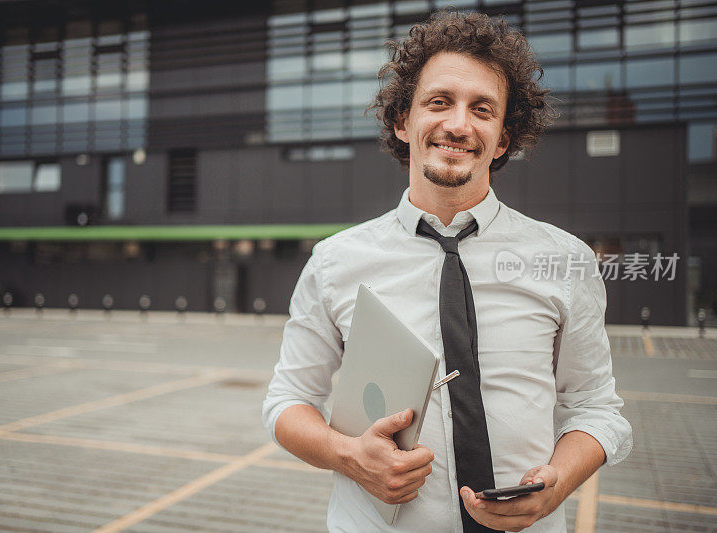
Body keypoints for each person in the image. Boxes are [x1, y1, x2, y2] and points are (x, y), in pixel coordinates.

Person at [262, 10, 631, 533]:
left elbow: (595, 408)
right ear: (402, 120)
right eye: (439, 102)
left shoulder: (565, 261)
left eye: (483, 109)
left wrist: (558, 485)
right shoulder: (334, 262)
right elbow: (288, 402)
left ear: (503, 138)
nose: (459, 125)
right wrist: (347, 456)